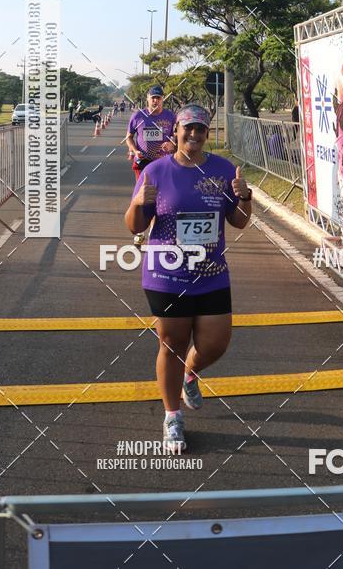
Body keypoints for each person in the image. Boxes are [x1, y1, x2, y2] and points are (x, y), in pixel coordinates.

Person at [124, 103, 252, 448]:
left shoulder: (223, 170)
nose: (194, 135)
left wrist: (245, 198)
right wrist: (139, 203)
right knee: (171, 344)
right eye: (188, 129)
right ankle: (172, 417)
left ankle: (190, 373)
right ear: (175, 132)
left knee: (215, 343)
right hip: (167, 275)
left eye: (201, 130)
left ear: (207, 134)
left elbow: (238, 221)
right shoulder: (156, 171)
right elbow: (135, 226)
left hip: (211, 274)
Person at [126, 86, 177, 245]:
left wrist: (172, 144)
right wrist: (134, 150)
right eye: (153, 97)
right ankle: (139, 231)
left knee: (161, 197)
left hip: (163, 163)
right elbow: (129, 137)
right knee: (143, 195)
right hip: (143, 163)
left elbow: (177, 136)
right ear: (147, 99)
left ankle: (154, 233)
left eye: (159, 98)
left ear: (163, 99)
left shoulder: (170, 117)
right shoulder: (138, 116)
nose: (155, 100)